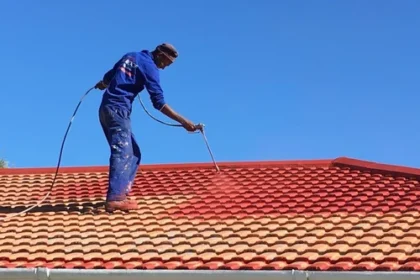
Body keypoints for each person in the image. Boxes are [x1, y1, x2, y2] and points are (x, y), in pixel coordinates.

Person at [94, 43, 199, 213]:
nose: (164, 67)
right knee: (123, 151)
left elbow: (109, 77)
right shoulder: (150, 67)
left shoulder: (130, 55)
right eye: (165, 62)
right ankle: (115, 198)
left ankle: (122, 193)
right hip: (118, 109)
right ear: (159, 54)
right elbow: (159, 103)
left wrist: (103, 84)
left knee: (134, 153)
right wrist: (184, 122)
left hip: (106, 109)